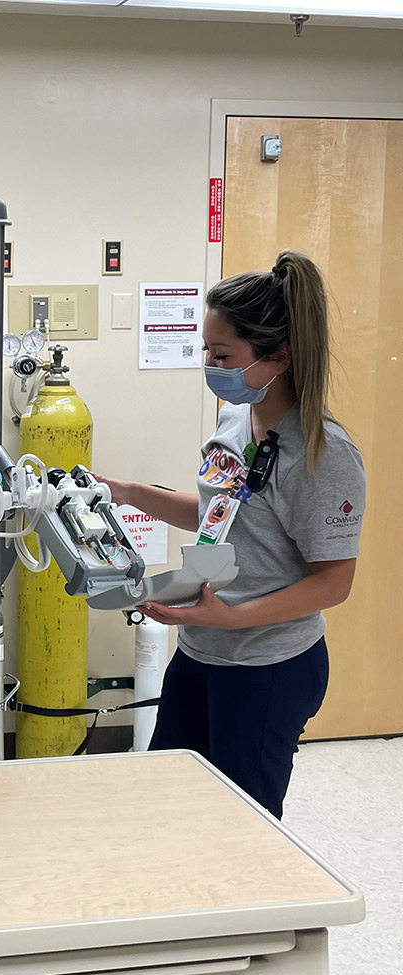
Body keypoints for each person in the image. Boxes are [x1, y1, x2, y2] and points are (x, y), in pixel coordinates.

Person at [98, 250, 365, 818]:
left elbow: (334, 583)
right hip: (203, 650)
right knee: (173, 803)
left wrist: (234, 617)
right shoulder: (236, 419)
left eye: (222, 355)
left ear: (279, 356)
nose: (210, 366)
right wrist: (127, 492)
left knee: (244, 825)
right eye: (206, 352)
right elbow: (225, 513)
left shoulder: (324, 455)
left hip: (267, 665)